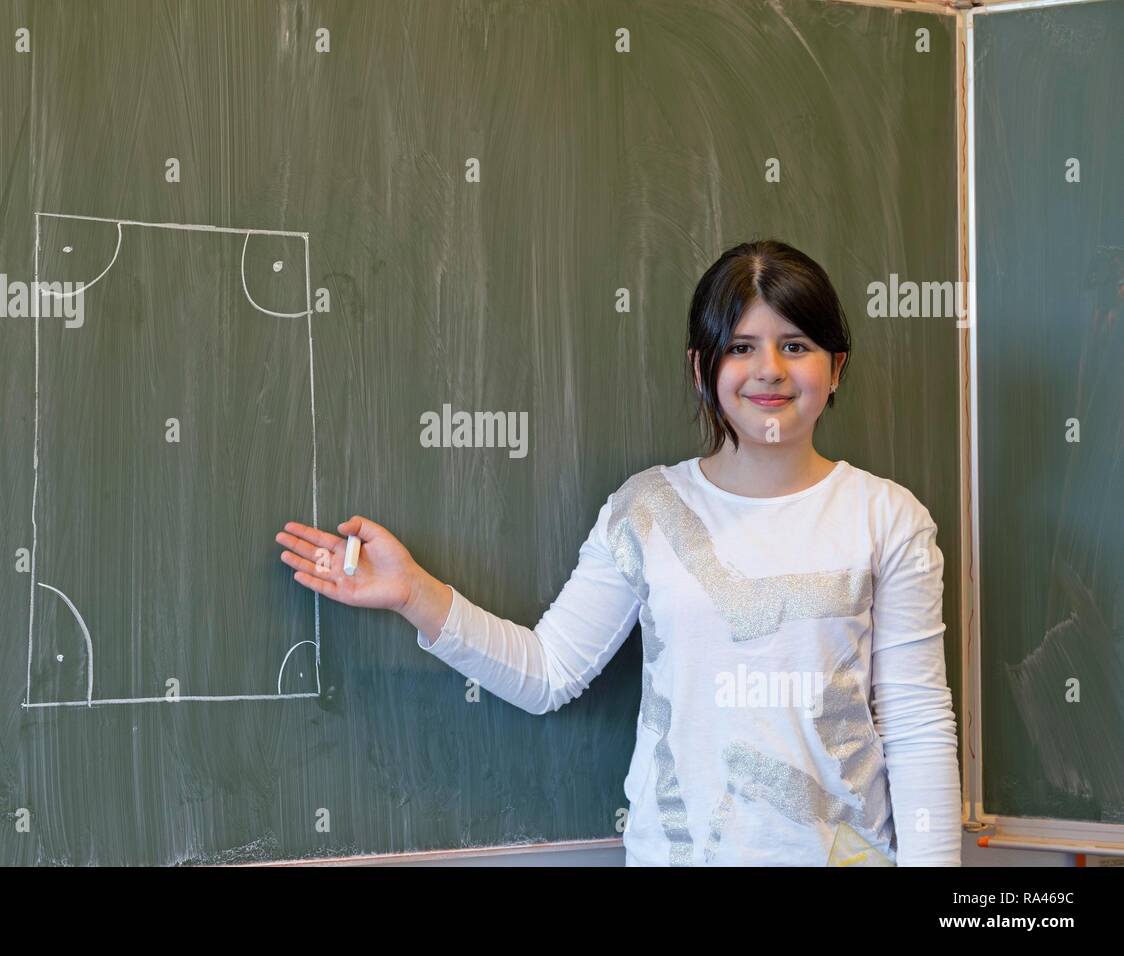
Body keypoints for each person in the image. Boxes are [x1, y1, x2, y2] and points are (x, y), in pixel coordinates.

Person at [275, 239, 961, 866]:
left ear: (835, 368)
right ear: (702, 368)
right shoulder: (647, 511)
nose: (769, 371)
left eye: (796, 345)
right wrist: (413, 593)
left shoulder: (887, 518)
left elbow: (917, 726)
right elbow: (548, 671)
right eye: (743, 347)